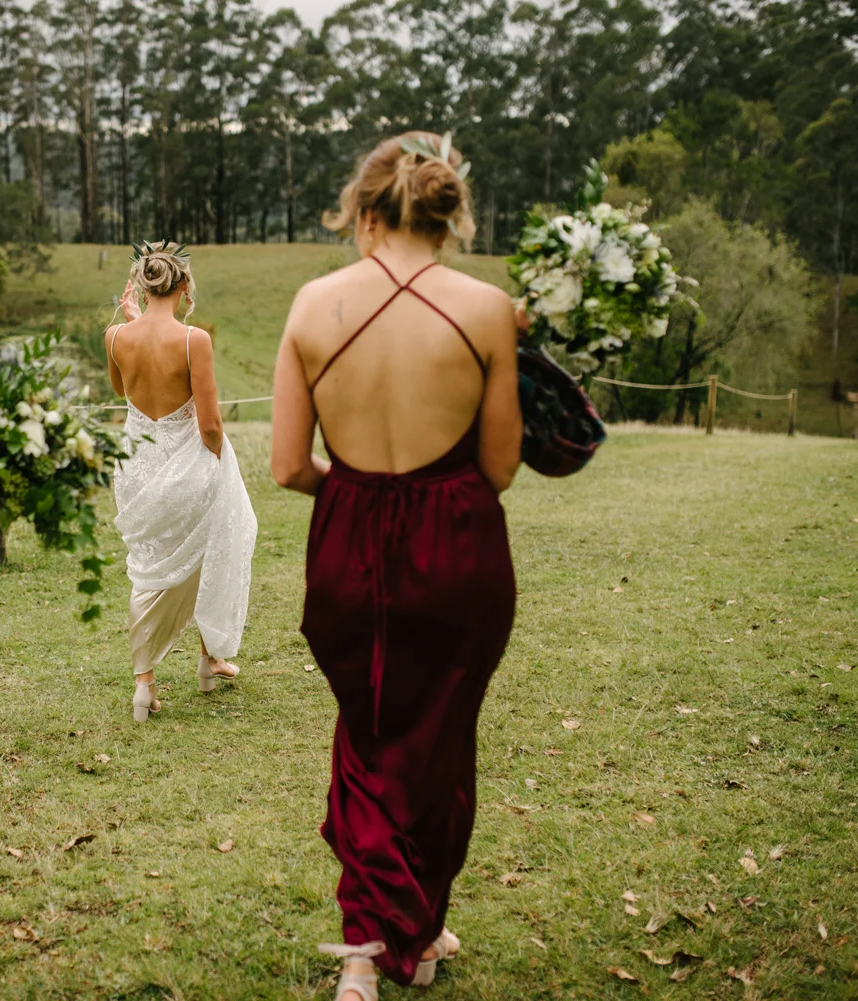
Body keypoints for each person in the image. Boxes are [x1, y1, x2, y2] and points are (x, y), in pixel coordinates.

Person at [270, 134, 521, 1001]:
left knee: (369, 735)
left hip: (348, 542)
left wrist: (357, 491)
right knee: (439, 736)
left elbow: (288, 466)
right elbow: (499, 469)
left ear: (365, 210)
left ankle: (373, 946)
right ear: (448, 215)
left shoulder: (313, 304)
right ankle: (398, 928)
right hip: (455, 545)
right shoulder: (488, 308)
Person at [105, 242, 258, 722]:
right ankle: (210, 659)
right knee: (213, 549)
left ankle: (144, 684)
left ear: (140, 287)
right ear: (185, 285)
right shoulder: (194, 340)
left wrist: (133, 324)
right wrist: (219, 463)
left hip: (136, 466)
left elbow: (121, 389)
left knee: (147, 568)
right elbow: (209, 424)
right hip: (189, 460)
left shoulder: (115, 336)